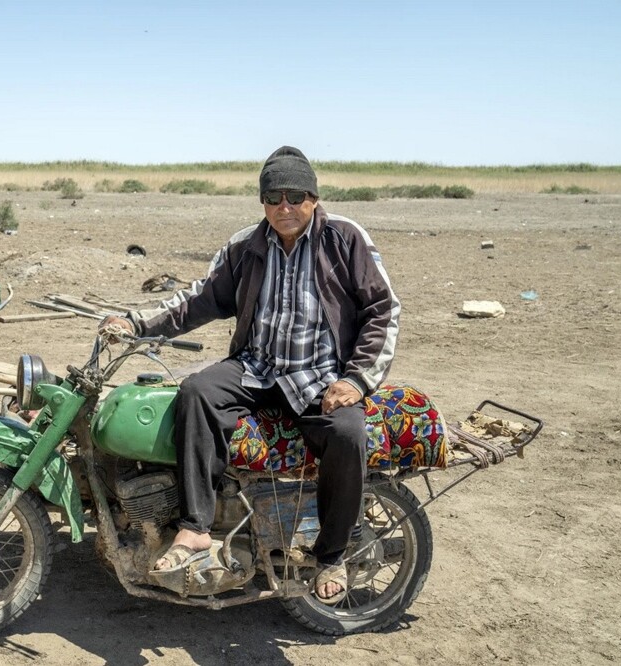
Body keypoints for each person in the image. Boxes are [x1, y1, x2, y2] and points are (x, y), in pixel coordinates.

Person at [99, 146, 399, 604]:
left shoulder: (345, 239)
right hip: (257, 368)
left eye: (296, 196)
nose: (285, 207)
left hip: (319, 376)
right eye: (274, 197)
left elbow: (383, 309)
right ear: (263, 202)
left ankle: (333, 554)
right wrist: (136, 324)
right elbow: (197, 300)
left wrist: (355, 381)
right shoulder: (246, 245)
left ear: (313, 198)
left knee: (348, 432)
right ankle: (195, 528)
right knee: (197, 390)